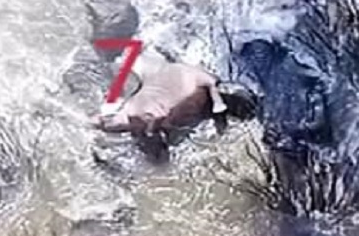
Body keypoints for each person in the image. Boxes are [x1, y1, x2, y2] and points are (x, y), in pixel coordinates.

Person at [89, 49, 258, 161]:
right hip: (153, 106)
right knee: (154, 152)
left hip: (170, 94)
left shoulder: (193, 86)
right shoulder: (138, 114)